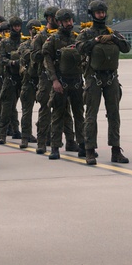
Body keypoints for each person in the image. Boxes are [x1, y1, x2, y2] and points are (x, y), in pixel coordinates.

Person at [79, 1, 131, 165]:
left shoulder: (112, 32)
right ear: (92, 14)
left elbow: (126, 47)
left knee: (114, 114)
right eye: (98, 12)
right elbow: (80, 48)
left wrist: (114, 38)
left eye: (102, 12)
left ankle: (116, 150)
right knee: (91, 116)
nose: (101, 15)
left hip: (111, 78)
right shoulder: (86, 33)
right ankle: (89, 150)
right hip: (93, 78)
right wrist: (95, 41)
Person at [43, 9, 85, 161]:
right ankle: (55, 147)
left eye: (71, 20)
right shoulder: (53, 39)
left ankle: (82, 145)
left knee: (80, 114)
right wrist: (54, 80)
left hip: (77, 82)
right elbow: (47, 60)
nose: (69, 23)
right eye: (66, 21)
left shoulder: (77, 38)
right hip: (61, 82)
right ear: (59, 22)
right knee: (58, 115)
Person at [32, 4, 61, 154]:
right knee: (45, 108)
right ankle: (41, 141)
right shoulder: (41, 36)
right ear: (50, 18)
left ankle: (66, 140)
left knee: (64, 109)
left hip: (61, 75)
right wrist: (47, 51)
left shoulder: (62, 34)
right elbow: (34, 55)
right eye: (57, 18)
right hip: (45, 76)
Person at [0, 17, 25, 144]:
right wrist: (11, 62)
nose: (17, 28)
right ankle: (2, 133)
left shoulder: (24, 42)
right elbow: (0, 58)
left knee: (25, 107)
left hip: (23, 78)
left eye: (18, 26)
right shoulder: (5, 43)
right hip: (9, 78)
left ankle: (21, 132)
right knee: (6, 106)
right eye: (15, 26)